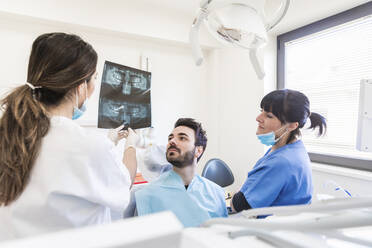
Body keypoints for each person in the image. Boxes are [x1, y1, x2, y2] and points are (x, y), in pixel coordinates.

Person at [0, 32, 138, 240]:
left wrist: (108, 142)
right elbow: (123, 184)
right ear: (81, 87)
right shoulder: (88, 146)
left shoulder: (10, 132)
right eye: (94, 79)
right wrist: (131, 145)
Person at [230, 89, 327, 213]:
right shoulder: (293, 148)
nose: (258, 118)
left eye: (269, 116)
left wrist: (237, 194)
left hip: (273, 228)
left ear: (292, 126)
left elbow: (240, 205)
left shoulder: (282, 161)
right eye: (261, 111)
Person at [135, 118, 228, 227]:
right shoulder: (148, 194)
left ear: (198, 150)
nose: (172, 141)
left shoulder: (216, 193)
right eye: (170, 138)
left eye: (182, 138)